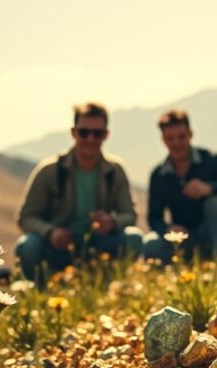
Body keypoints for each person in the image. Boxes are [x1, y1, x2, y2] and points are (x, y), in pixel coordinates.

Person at [15, 102, 142, 284]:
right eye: (84, 132)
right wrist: (51, 232)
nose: (90, 139)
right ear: (73, 132)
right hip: (58, 247)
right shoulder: (49, 170)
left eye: (97, 133)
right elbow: (26, 217)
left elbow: (130, 214)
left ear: (106, 135)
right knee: (28, 246)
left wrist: (111, 223)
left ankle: (108, 288)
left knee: (134, 238)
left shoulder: (115, 170)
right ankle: (42, 292)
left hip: (101, 245)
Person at [143, 109, 217, 262]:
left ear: (190, 134)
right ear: (163, 139)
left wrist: (210, 188)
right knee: (150, 246)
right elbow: (154, 218)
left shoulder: (210, 160)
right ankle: (186, 264)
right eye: (170, 138)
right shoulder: (159, 175)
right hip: (183, 239)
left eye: (181, 137)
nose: (176, 143)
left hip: (212, 234)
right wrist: (168, 230)